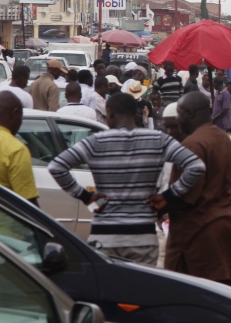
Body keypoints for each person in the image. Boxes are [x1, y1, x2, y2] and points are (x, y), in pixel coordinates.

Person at [49, 92, 206, 266]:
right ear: (137, 113)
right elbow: (196, 167)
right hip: (143, 238)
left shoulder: (94, 142)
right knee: (141, 283)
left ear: (110, 113)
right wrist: (168, 196)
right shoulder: (158, 140)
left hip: (104, 237)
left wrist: (85, 196)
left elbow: (57, 167)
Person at [161, 92, 231, 287]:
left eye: (180, 114)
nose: (178, 121)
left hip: (199, 232)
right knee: (222, 293)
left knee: (191, 294)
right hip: (228, 226)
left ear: (190, 114)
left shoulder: (192, 144)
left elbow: (185, 196)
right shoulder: (224, 140)